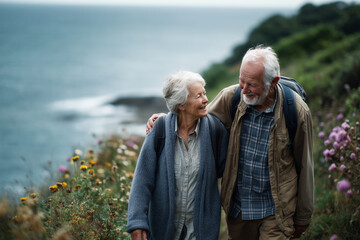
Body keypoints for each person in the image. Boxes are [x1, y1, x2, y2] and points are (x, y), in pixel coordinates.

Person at [146, 45, 314, 239]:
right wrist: (168, 119)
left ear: (273, 82)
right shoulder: (231, 97)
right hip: (239, 210)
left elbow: (305, 165)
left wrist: (303, 216)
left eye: (251, 84)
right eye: (241, 81)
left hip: (277, 210)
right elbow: (196, 117)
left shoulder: (296, 111)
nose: (244, 89)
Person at [127, 70, 229, 240]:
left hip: (200, 230)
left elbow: (226, 170)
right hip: (163, 229)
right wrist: (136, 221)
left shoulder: (215, 130)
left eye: (204, 93)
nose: (205, 99)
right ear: (181, 105)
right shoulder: (159, 130)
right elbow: (142, 180)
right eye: (198, 96)